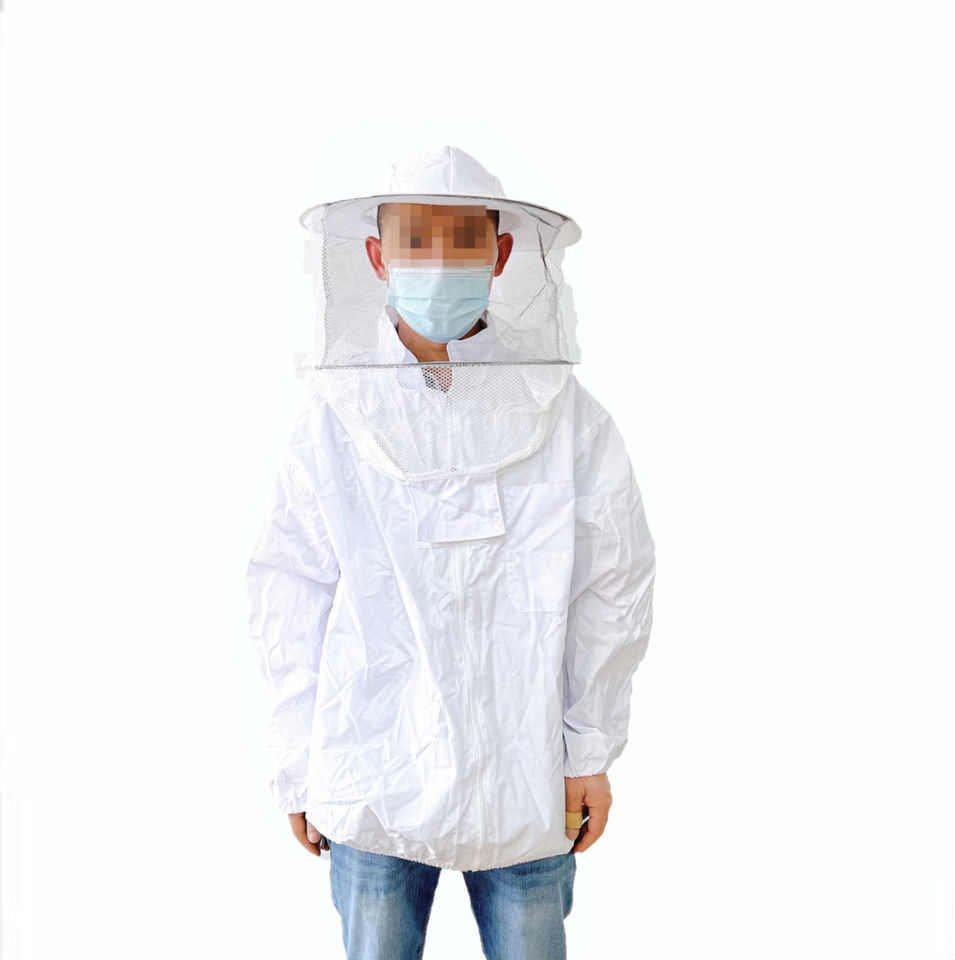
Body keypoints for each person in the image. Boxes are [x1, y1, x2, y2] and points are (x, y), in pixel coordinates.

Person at [246, 145, 657, 960]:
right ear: (378, 256)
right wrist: (297, 764)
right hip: (372, 767)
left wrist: (589, 749)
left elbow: (614, 583)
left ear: (500, 254)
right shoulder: (333, 419)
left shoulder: (566, 414)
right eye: (417, 240)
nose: (439, 261)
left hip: (527, 772)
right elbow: (290, 593)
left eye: (463, 239)